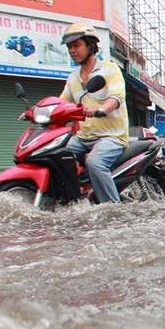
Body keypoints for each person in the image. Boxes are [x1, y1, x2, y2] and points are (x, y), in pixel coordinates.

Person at [60, 22, 128, 203]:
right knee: (55, 155)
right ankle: (71, 200)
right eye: (69, 47)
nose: (72, 51)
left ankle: (113, 208)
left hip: (112, 136)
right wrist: (38, 111)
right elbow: (62, 103)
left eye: (76, 46)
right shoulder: (73, 77)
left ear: (90, 45)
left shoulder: (109, 69)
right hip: (83, 137)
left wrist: (100, 110)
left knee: (94, 162)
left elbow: (115, 98)